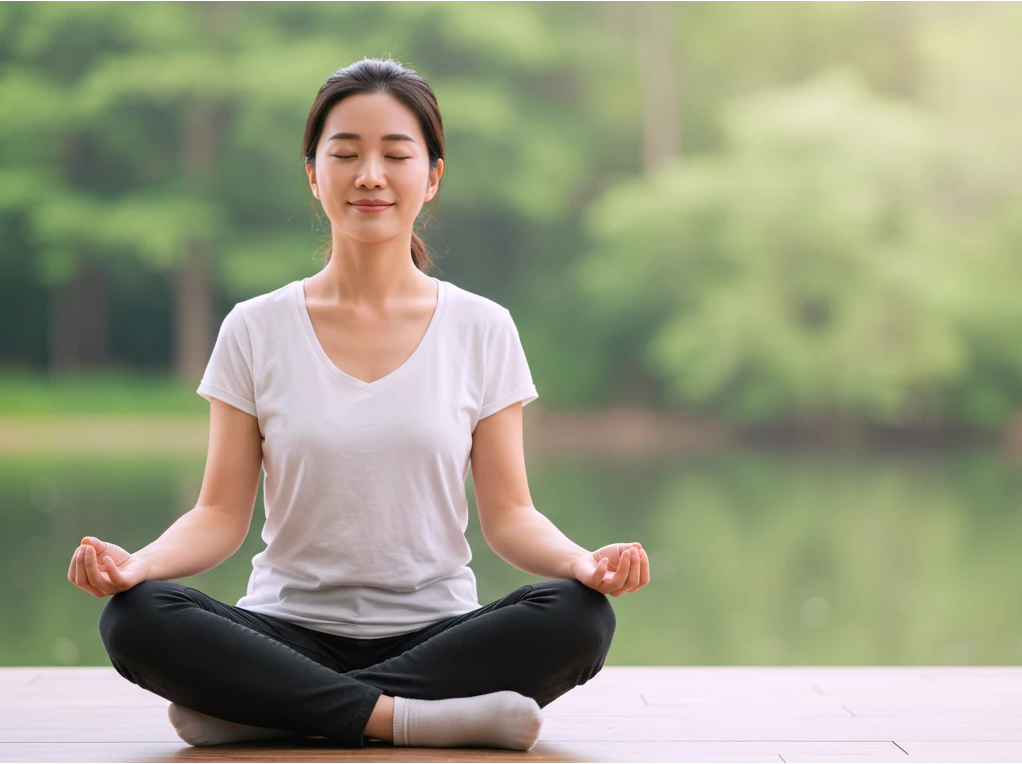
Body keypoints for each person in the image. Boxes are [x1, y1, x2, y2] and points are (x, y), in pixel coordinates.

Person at [65, 58, 649, 751]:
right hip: (286, 631)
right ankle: (405, 719)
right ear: (313, 175)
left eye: (395, 154)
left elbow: (511, 516)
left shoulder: (482, 328)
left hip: (438, 632)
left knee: (580, 618)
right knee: (136, 619)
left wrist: (582, 563)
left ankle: (265, 711)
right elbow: (219, 515)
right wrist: (137, 566)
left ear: (432, 176)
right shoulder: (255, 328)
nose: (369, 174)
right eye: (344, 154)